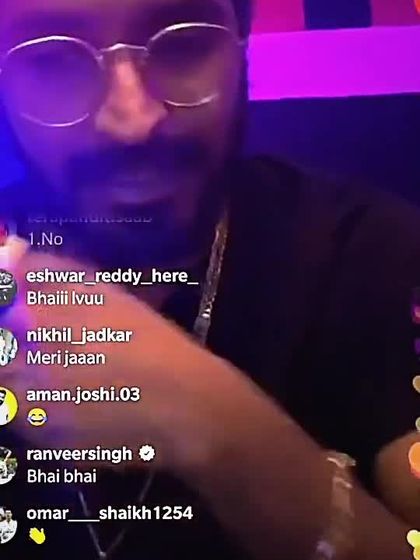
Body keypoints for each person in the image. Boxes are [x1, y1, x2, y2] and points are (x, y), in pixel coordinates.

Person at [0, 1, 418, 559]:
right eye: (53, 60)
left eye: (183, 42)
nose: (133, 120)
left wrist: (220, 427)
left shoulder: (373, 252)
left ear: (240, 40)